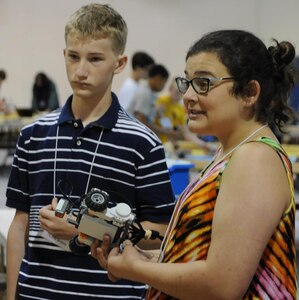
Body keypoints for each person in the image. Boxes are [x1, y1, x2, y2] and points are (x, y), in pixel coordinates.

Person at [91, 29, 297, 299]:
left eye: (204, 83)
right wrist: (151, 258)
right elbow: (208, 257)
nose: (188, 96)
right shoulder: (231, 152)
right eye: (186, 82)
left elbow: (222, 284)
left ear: (249, 92)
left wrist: (137, 269)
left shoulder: (255, 159)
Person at [5, 3, 174, 299]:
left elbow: (158, 233)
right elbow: (20, 225)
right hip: (38, 291)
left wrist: (83, 230)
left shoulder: (143, 143)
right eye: (73, 56)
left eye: (95, 59)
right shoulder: (33, 135)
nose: (81, 70)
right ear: (64, 55)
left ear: (119, 64)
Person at [154, 77, 217, 153]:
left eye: (181, 93)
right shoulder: (162, 101)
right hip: (158, 142)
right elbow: (166, 126)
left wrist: (203, 145)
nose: (179, 96)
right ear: (170, 89)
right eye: (176, 92)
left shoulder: (180, 108)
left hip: (170, 143)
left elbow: (186, 133)